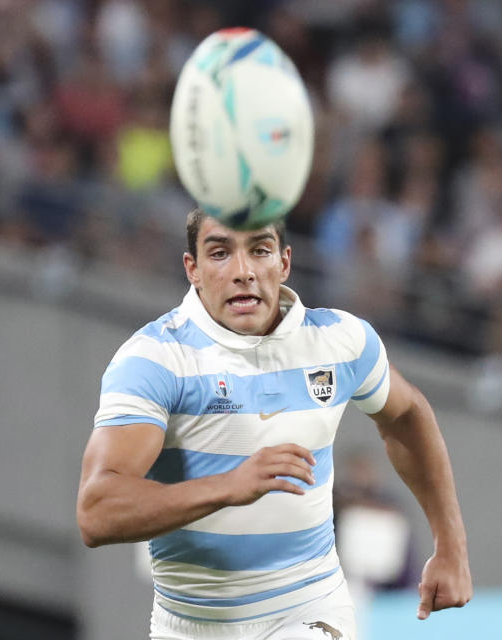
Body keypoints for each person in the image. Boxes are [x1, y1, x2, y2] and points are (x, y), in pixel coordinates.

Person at [77, 209, 472, 639]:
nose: (243, 271)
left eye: (259, 250)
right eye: (220, 253)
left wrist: (451, 546)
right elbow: (97, 511)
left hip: (307, 611)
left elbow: (408, 415)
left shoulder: (338, 341)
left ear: (284, 262)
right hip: (187, 626)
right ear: (193, 268)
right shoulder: (155, 359)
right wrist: (229, 486)